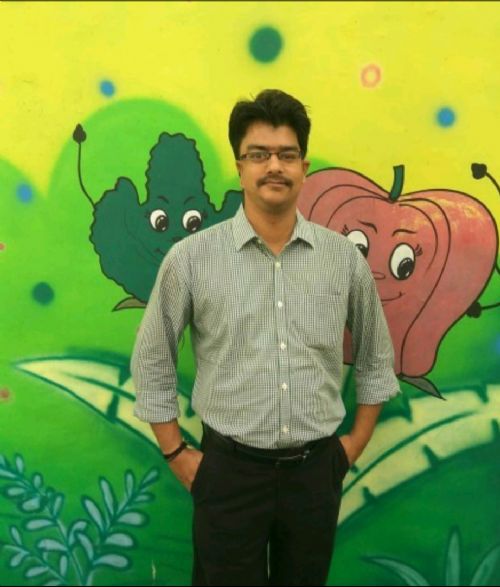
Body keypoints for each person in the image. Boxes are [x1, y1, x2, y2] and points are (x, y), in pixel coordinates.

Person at [131, 89, 400, 586]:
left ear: (304, 167)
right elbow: (152, 360)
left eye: (286, 154)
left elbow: (376, 357)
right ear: (240, 167)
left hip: (315, 475)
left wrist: (353, 446)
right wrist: (176, 453)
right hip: (227, 476)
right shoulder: (191, 259)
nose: (274, 166)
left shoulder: (342, 259)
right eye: (259, 154)